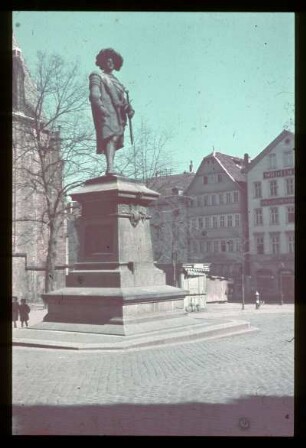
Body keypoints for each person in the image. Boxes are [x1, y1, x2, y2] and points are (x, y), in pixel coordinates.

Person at [89, 48, 135, 174]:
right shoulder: (97, 75)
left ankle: (111, 167)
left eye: (112, 62)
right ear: (102, 63)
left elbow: (123, 102)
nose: (110, 64)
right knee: (111, 138)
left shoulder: (117, 82)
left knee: (114, 139)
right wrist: (101, 109)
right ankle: (110, 168)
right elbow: (94, 95)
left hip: (118, 116)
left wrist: (130, 110)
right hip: (107, 113)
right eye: (108, 61)